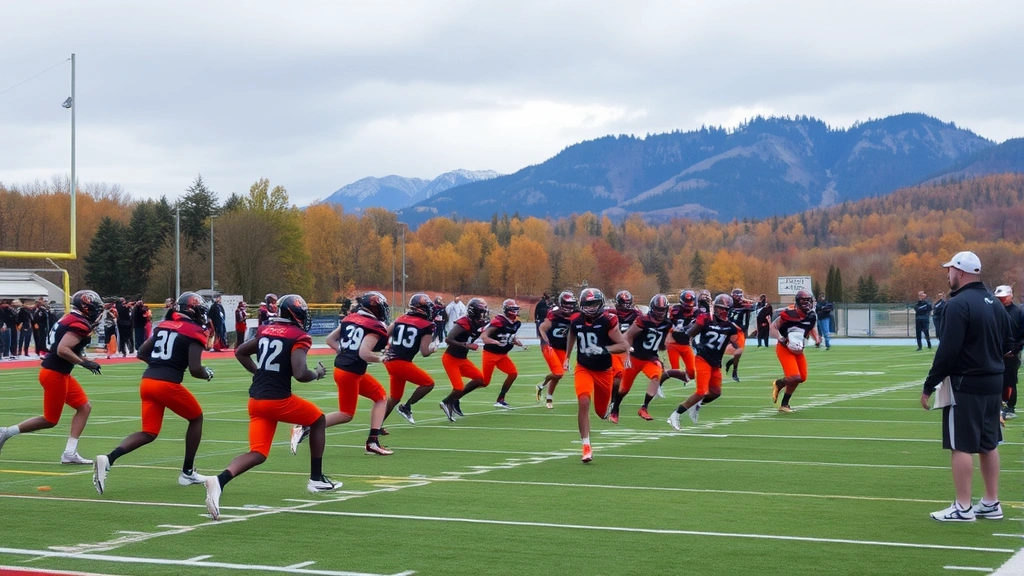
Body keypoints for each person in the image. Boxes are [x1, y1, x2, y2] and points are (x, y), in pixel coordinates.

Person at [204, 294, 336, 520]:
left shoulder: (266, 330)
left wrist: (259, 372)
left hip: (256, 401)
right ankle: (316, 479)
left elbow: (240, 351)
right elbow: (300, 373)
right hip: (278, 401)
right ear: (297, 314)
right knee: (318, 419)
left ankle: (219, 480)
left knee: (258, 453)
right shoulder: (299, 336)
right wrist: (317, 374)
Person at [920, 251, 1012, 522]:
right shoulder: (995, 304)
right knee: (989, 442)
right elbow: (1008, 345)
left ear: (959, 272)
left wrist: (929, 384)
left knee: (960, 444)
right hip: (993, 381)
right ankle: (991, 502)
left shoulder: (958, 304)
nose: (947, 274)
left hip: (966, 382)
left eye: (949, 270)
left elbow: (948, 351)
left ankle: (963, 506)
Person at [92, 292, 214, 495]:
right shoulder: (195, 330)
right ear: (192, 310)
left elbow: (141, 352)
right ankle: (188, 472)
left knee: (149, 432)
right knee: (196, 418)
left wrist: (160, 366)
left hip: (148, 382)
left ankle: (109, 458)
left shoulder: (165, 325)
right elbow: (195, 369)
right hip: (166, 385)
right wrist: (207, 373)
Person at [0, 290, 104, 464]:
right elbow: (62, 349)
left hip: (59, 372)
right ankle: (6, 432)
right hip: (54, 374)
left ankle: (70, 452)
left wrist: (84, 359)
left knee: (84, 407)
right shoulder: (79, 323)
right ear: (86, 307)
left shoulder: (70, 318)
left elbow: (64, 347)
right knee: (49, 420)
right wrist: (83, 363)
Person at [314, 291, 392, 455]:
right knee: (346, 414)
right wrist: (382, 358)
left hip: (347, 370)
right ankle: (307, 425)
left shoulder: (351, 318)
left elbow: (330, 340)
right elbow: (364, 353)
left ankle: (373, 441)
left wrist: (343, 351)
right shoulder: (372, 325)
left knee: (380, 396)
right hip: (350, 372)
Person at [563, 288, 628, 462]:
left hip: (604, 371)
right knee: (583, 400)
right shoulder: (576, 320)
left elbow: (623, 345)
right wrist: (567, 357)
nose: (591, 308)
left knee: (600, 412)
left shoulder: (608, 320)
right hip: (583, 367)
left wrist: (604, 349)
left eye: (594, 304)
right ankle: (586, 445)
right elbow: (571, 334)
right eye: (587, 304)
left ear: (600, 304)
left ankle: (608, 408)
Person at [667, 294, 743, 429]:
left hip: (715, 362)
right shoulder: (706, 319)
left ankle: (696, 405)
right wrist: (688, 336)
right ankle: (675, 415)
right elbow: (690, 333)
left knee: (715, 392)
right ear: (716, 308)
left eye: (726, 309)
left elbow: (736, 346)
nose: (724, 312)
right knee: (701, 391)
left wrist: (736, 354)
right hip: (703, 358)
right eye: (721, 308)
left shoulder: (730, 326)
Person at [613, 294, 671, 424]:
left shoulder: (667, 323)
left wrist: (662, 352)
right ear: (652, 309)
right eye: (658, 309)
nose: (660, 313)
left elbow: (662, 342)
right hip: (635, 357)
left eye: (662, 310)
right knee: (624, 389)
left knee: (656, 376)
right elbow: (628, 335)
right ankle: (615, 408)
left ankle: (644, 407)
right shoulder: (643, 320)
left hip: (650, 358)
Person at [382, 293, 438, 426]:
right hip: (401, 362)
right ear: (421, 308)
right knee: (428, 383)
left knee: (395, 397)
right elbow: (425, 352)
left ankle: (376, 426)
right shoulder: (426, 325)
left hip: (389, 359)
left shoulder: (401, 318)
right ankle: (406, 407)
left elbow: (384, 334)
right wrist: (433, 347)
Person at [437, 298, 490, 420]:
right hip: (451, 359)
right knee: (458, 387)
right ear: (474, 312)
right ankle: (446, 402)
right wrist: (466, 345)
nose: (484, 315)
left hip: (462, 359)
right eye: (481, 312)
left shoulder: (479, 323)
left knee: (479, 379)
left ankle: (454, 400)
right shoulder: (464, 323)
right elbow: (448, 339)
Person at [769, 290, 821, 413]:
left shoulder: (812, 315)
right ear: (798, 302)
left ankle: (784, 404)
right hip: (785, 348)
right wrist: (780, 338)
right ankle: (779, 384)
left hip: (799, 349)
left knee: (801, 377)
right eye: (805, 301)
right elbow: (773, 327)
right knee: (794, 376)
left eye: (809, 301)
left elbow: (811, 327)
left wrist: (817, 338)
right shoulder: (788, 314)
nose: (807, 304)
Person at [652, 290, 700, 419]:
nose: (689, 305)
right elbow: (669, 324)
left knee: (691, 373)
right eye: (687, 302)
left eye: (691, 302)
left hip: (686, 345)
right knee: (675, 369)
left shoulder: (697, 312)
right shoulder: (675, 310)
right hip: (673, 344)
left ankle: (659, 381)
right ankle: (657, 384)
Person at [536, 290, 577, 409]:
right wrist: (545, 342)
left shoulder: (577, 314)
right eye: (566, 304)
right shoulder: (554, 314)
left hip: (562, 347)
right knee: (558, 372)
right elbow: (542, 328)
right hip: (550, 346)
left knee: (558, 375)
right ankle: (542, 386)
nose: (569, 307)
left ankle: (547, 395)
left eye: (571, 304)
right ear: (561, 303)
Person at [485, 299, 525, 408]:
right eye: (513, 309)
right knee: (484, 382)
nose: (515, 312)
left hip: (503, 355)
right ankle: (456, 396)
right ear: (507, 310)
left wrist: (515, 341)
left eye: (516, 309)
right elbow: (484, 335)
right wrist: (493, 341)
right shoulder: (499, 321)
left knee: (513, 373)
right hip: (490, 353)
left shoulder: (516, 323)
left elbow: (509, 335)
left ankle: (500, 399)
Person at [993, 286, 1022, 420]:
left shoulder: (1018, 312)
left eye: (1003, 297)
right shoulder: (992, 311)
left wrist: (1015, 350)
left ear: (1010, 295)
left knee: (1010, 380)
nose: (1002, 300)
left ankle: (1010, 406)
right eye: (999, 298)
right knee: (995, 379)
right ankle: (997, 406)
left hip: (1011, 353)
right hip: (995, 351)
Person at [723, 288, 753, 382]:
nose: (738, 298)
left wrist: (745, 331)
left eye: (739, 296)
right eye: (736, 296)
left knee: (738, 353)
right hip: (729, 330)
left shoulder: (744, 306)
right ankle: (732, 371)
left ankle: (733, 368)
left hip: (740, 331)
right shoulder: (728, 305)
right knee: (723, 350)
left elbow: (752, 310)